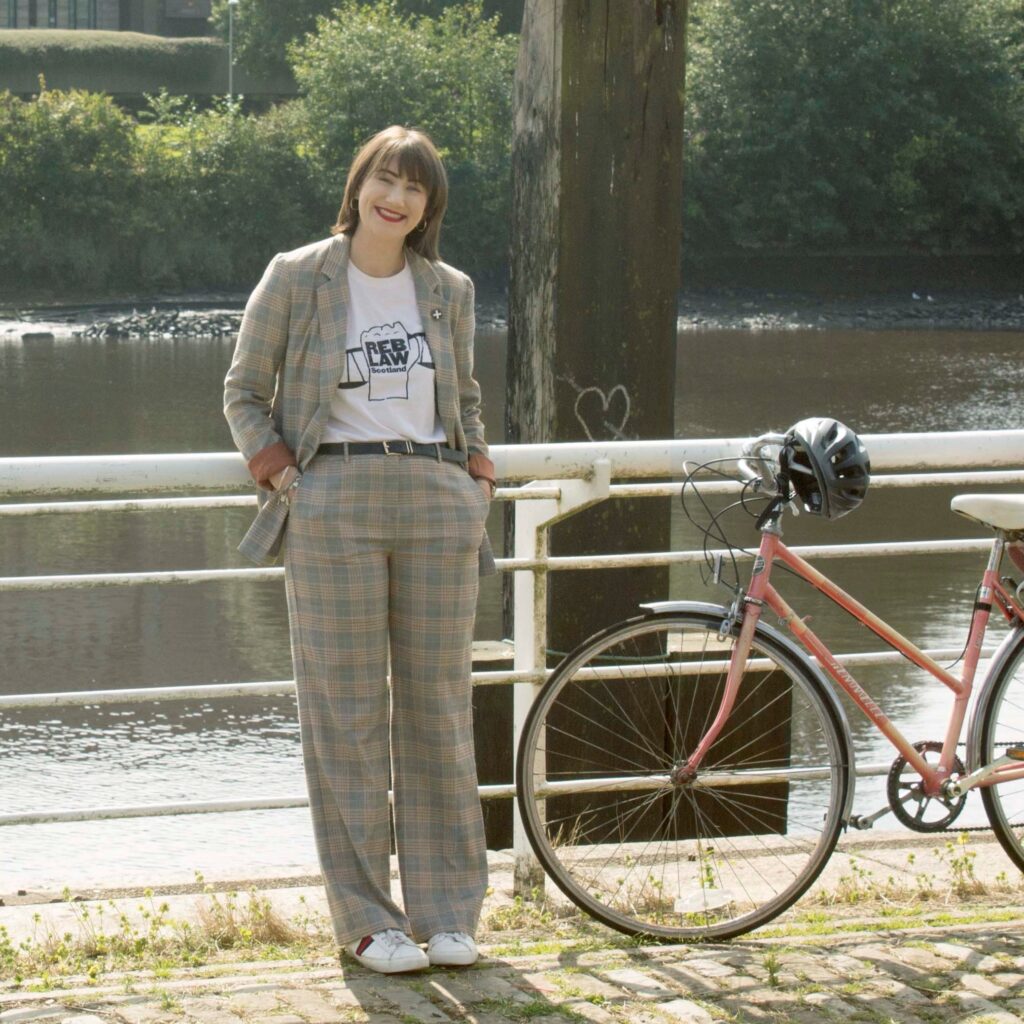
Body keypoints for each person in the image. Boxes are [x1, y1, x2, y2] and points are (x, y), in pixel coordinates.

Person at [223, 125, 496, 974]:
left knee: (439, 713)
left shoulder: (448, 288)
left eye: (416, 188)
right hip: (333, 500)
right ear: (360, 185)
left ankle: (449, 913)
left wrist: (476, 473)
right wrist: (280, 473)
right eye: (387, 179)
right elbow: (242, 389)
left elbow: (468, 393)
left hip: (434, 499)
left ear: (429, 206)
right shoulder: (299, 274)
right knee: (344, 717)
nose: (399, 198)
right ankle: (367, 921)